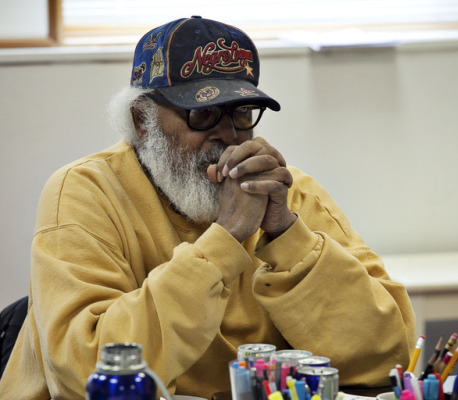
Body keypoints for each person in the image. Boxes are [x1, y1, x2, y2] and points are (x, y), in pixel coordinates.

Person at [0, 16, 416, 400]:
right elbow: (87, 372)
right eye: (203, 114)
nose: (228, 136)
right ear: (142, 120)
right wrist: (225, 240)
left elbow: (387, 357)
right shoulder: (86, 191)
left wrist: (286, 234)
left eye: (242, 113)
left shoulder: (291, 193)